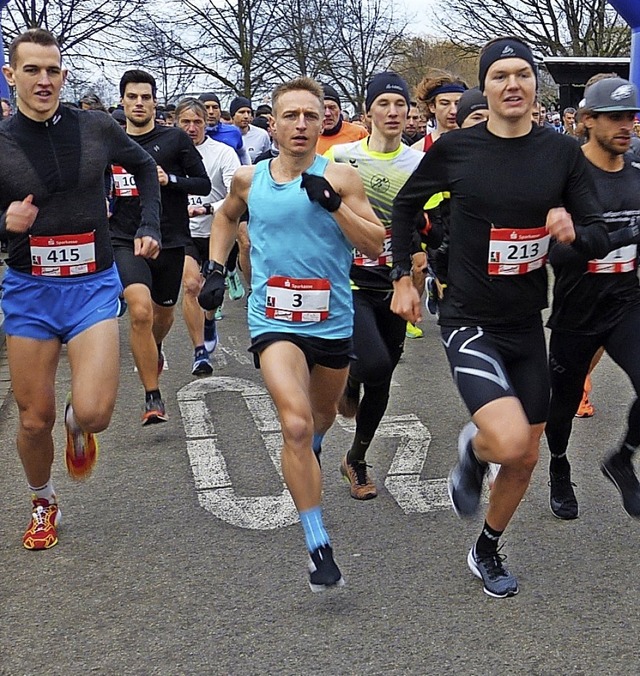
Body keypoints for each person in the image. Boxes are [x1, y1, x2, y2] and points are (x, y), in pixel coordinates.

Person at [390, 36, 611, 598]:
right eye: (499, 76)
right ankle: (475, 446)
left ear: (536, 85)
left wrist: (571, 234)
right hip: (468, 317)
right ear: (483, 89)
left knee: (526, 455)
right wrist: (401, 278)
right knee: (509, 441)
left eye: (522, 74)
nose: (512, 84)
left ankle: (486, 546)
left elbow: (597, 234)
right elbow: (407, 206)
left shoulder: (560, 154)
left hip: (524, 322)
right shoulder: (458, 151)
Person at [198, 76, 385, 591]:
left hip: (331, 320)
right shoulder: (248, 179)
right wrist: (216, 270)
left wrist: (333, 205)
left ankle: (318, 448)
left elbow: (373, 244)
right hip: (273, 319)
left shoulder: (342, 176)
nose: (301, 124)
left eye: (311, 115)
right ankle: (317, 542)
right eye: (290, 116)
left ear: (322, 119)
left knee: (321, 417)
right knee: (296, 426)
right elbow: (224, 218)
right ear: (273, 124)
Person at [0, 28, 161, 550]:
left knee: (94, 413)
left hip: (92, 285)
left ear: (63, 75)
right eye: (32, 70)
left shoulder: (95, 127)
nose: (44, 80)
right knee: (32, 417)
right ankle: (44, 501)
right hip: (31, 290)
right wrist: (5, 223)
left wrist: (148, 225)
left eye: (53, 70)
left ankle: (77, 425)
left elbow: (143, 165)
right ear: (11, 75)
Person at [325, 72, 427, 500]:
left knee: (383, 379)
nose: (392, 111)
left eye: (400, 104)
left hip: (396, 279)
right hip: (349, 279)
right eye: (383, 103)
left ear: (409, 112)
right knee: (375, 366)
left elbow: (429, 221)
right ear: (368, 112)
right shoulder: (343, 156)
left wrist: (425, 254)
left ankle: (356, 458)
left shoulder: (419, 163)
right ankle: (349, 380)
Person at [545, 77, 640, 520]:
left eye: (632, 117)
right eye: (616, 117)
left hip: (626, 304)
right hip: (576, 311)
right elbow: (557, 255)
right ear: (587, 121)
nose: (627, 125)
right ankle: (560, 467)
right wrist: (621, 234)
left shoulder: (638, 179)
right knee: (560, 405)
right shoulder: (565, 179)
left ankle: (621, 458)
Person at [110, 69, 210, 424]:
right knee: (139, 310)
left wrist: (171, 180)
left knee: (162, 314)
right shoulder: (110, 141)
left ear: (155, 101)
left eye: (146, 97)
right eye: (132, 97)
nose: (139, 103)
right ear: (122, 100)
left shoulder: (174, 140)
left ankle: (157, 348)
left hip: (170, 239)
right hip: (123, 237)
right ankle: (152, 396)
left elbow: (204, 181)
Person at [176, 97, 241, 375]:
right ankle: (200, 351)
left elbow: (235, 196)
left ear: (206, 123)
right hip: (182, 233)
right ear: (175, 123)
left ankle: (210, 319)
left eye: (197, 122)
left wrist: (206, 208)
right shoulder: (167, 153)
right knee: (192, 285)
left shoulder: (224, 153)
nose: (191, 128)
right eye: (185, 122)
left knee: (210, 292)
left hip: (217, 231)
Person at [411, 70, 467, 151]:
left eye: (458, 103)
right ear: (432, 107)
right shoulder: (418, 150)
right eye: (445, 103)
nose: (453, 111)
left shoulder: (478, 145)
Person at [316, 83, 368, 155]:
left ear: (340, 110)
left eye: (332, 107)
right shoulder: (307, 136)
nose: (327, 113)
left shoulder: (359, 133)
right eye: (323, 108)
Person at [230, 96, 271, 163]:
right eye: (241, 112)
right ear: (233, 115)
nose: (246, 116)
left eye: (248, 112)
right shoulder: (225, 134)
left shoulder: (262, 134)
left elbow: (267, 160)